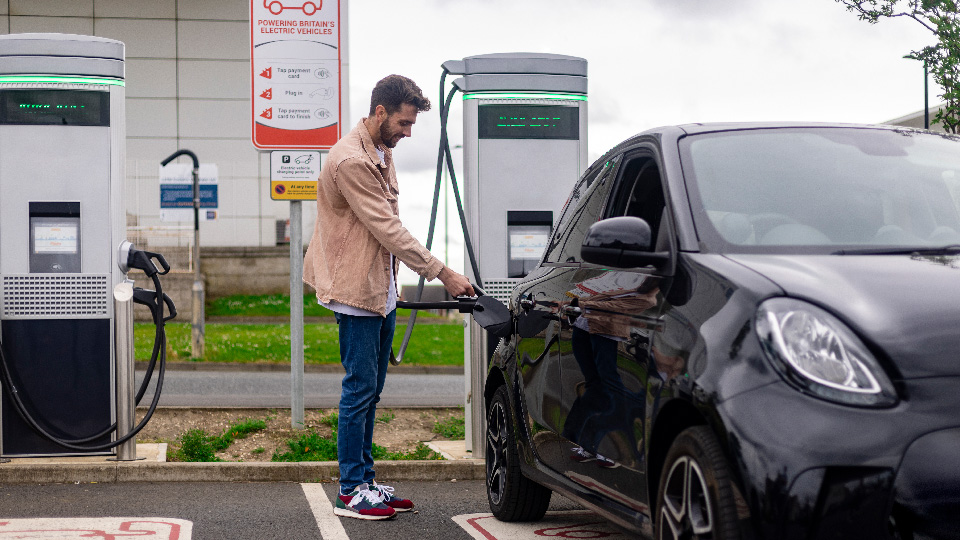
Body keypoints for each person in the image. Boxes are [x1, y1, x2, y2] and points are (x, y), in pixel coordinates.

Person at [303, 74, 474, 521]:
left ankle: (365, 480)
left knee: (372, 391)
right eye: (402, 122)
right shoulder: (350, 161)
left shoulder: (382, 151)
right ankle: (350, 489)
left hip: (382, 289)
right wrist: (443, 273)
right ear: (380, 112)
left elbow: (386, 229)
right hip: (355, 291)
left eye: (412, 124)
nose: (407, 132)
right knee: (359, 390)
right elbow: (387, 227)